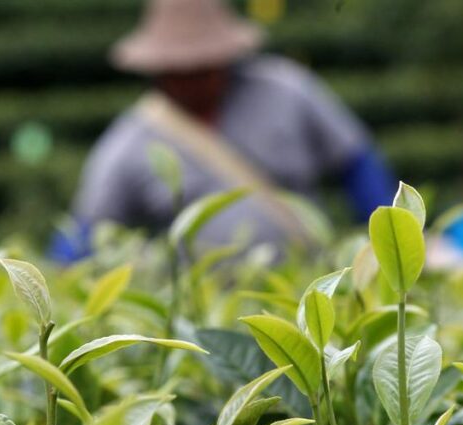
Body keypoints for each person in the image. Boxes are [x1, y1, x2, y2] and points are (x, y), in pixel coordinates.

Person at [52, 0, 396, 261]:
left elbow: (356, 162)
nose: (193, 76)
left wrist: (389, 246)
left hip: (305, 283)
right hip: (206, 315)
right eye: (180, 69)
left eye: (203, 66)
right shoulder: (130, 142)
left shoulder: (285, 90)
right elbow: (86, 231)